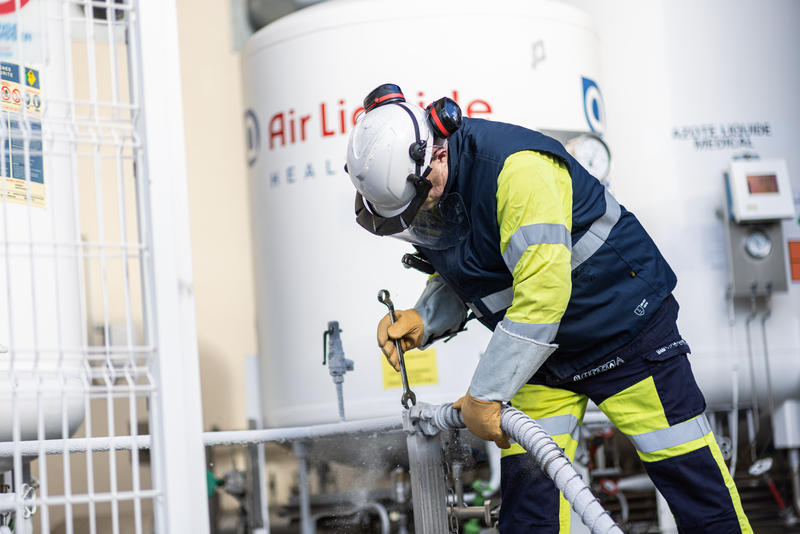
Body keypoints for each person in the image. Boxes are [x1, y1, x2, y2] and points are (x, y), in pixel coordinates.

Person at [345, 84, 751, 533]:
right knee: (530, 510)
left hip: (625, 334)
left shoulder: (519, 173)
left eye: (423, 197)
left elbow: (542, 295)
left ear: (436, 155)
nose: (425, 210)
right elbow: (477, 269)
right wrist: (426, 316)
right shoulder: (438, 185)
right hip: (542, 357)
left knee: (695, 491)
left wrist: (485, 395)